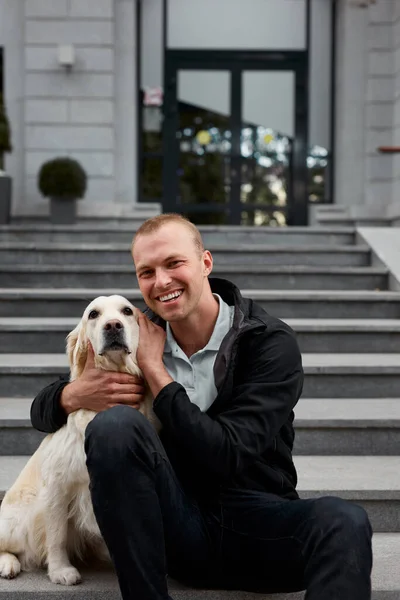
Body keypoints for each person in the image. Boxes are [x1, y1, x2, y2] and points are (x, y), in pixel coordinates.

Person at [31, 214, 373, 600]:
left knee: (346, 520)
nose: (161, 282)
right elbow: (41, 410)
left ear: (205, 262)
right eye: (147, 272)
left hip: (259, 526)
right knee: (114, 428)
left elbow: (227, 453)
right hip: (175, 530)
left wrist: (155, 371)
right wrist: (71, 395)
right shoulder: (136, 331)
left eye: (174, 264)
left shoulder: (268, 342)